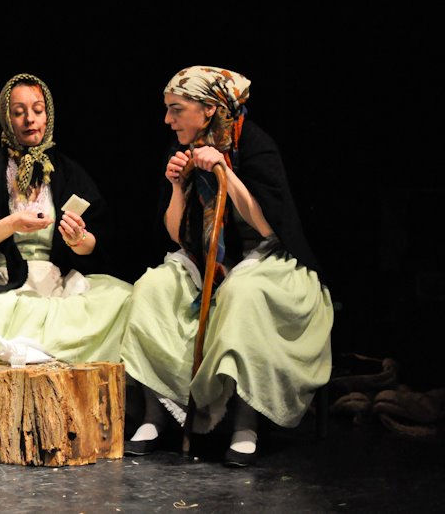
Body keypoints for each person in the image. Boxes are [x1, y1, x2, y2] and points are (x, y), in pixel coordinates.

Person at [120, 66, 333, 466]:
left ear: (208, 109)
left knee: (241, 293)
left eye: (176, 109)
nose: (168, 120)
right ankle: (155, 415)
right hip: (206, 259)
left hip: (267, 257)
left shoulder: (254, 143)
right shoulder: (182, 147)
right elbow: (176, 235)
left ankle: (245, 424)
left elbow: (268, 226)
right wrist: (176, 187)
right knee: (152, 288)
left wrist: (225, 171)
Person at [0, 73, 131, 371]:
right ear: (7, 119)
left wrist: (78, 240)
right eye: (19, 112)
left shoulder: (67, 170)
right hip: (6, 278)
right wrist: (11, 224)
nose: (30, 119)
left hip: (56, 280)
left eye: (38, 110)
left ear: (48, 114)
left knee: (121, 296)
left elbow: (99, 238)